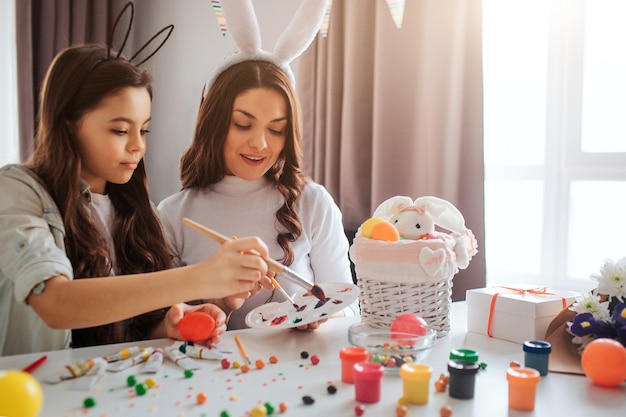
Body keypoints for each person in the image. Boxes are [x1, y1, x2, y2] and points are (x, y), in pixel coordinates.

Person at [0, 43, 272, 356]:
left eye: (143, 131)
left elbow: (131, 334)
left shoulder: (139, 214)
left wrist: (180, 322)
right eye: (119, 130)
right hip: (31, 397)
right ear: (67, 123)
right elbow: (55, 303)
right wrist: (200, 278)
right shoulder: (17, 192)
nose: (137, 147)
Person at [157, 60, 359, 330]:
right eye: (242, 124)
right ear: (213, 123)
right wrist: (222, 304)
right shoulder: (174, 215)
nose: (260, 144)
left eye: (276, 130)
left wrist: (321, 316)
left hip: (301, 368)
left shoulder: (312, 202)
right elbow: (164, 329)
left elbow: (349, 311)